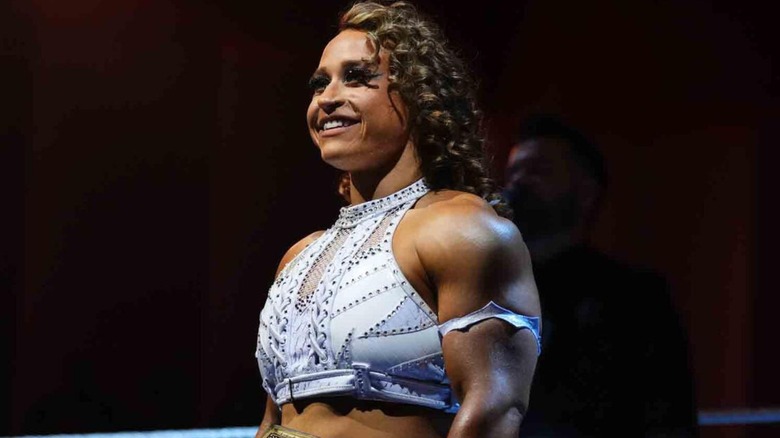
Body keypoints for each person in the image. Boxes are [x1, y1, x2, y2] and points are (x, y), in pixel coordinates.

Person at [253, 2, 541, 438]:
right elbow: (274, 421)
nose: (327, 98)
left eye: (356, 76)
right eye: (319, 84)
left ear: (418, 95)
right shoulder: (299, 256)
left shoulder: (462, 230)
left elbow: (493, 411)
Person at [504, 115, 698, 437]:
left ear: (585, 192)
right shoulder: (486, 289)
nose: (519, 182)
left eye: (539, 170)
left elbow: (667, 415)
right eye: (514, 172)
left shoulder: (634, 297)